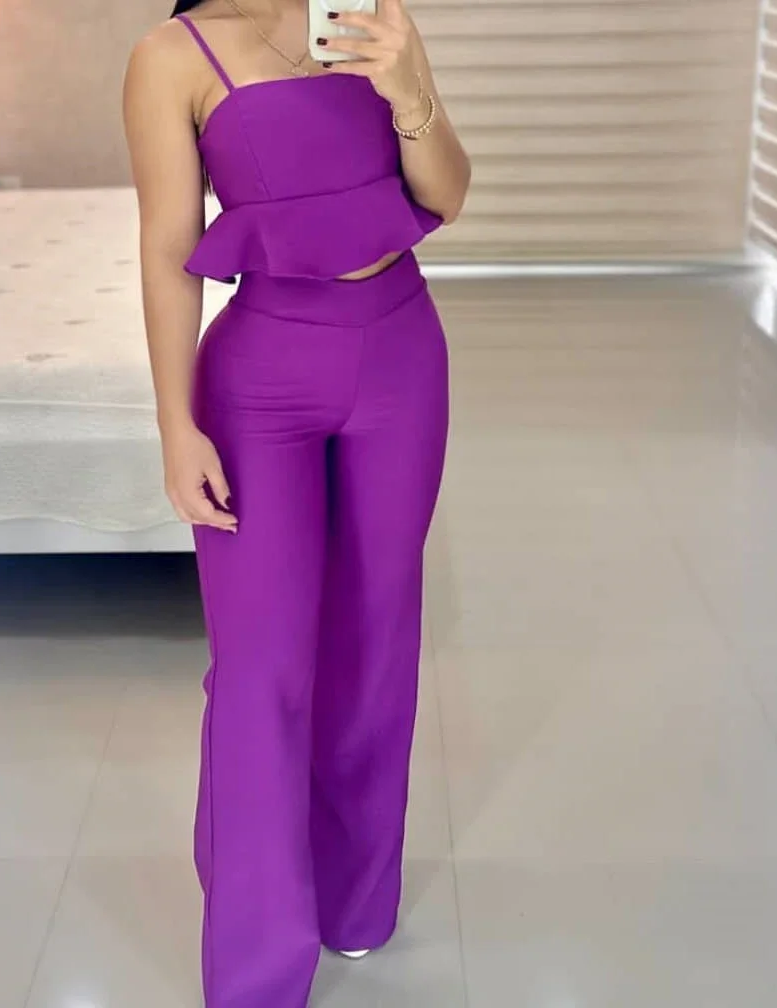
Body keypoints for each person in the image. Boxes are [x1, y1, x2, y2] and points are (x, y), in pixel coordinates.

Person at [122, 0, 470, 1002]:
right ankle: (256, 962)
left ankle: (356, 902)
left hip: (404, 354)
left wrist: (407, 88)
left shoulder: (373, 20)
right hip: (261, 379)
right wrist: (175, 424)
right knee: (261, 669)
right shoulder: (170, 56)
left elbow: (448, 194)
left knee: (377, 641)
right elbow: (166, 246)